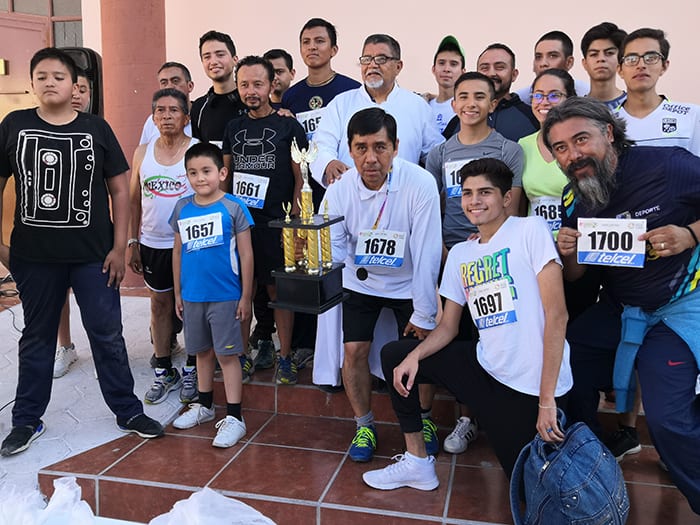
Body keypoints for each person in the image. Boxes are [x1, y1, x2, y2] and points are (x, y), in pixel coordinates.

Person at [362, 157, 571, 490]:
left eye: (485, 192)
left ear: (505, 198)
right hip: (486, 369)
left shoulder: (530, 230)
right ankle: (417, 462)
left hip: (530, 385)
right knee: (394, 356)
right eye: (467, 192)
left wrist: (547, 401)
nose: (475, 201)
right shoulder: (461, 253)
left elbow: (557, 316)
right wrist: (415, 357)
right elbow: (447, 327)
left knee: (528, 488)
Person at [0, 48, 163, 456]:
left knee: (107, 333)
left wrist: (119, 245)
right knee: (36, 337)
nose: (50, 82)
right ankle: (26, 419)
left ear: (75, 85)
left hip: (93, 255)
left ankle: (127, 410)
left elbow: (121, 189)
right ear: (32, 83)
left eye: (59, 76)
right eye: (41, 75)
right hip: (34, 256)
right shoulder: (14, 125)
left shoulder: (96, 128)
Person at [544, 96, 700, 514]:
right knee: (564, 365)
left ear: (608, 133)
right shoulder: (574, 196)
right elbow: (577, 276)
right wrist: (569, 254)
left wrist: (691, 234)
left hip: (680, 306)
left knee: (669, 422)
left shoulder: (668, 165)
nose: (573, 155)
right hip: (622, 309)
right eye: (560, 148)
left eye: (581, 140)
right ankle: (594, 464)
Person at [323, 107, 442, 462]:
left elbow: (427, 250)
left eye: (380, 147)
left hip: (409, 281)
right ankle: (363, 424)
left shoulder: (419, 183)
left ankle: (424, 419)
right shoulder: (340, 189)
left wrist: (423, 311)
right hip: (361, 281)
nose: (370, 158)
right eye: (361, 148)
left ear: (396, 147)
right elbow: (334, 244)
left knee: (419, 349)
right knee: (354, 351)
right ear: (349, 149)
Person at [279, 18, 361, 384]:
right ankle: (304, 343)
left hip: (342, 193)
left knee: (341, 269)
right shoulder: (291, 97)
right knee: (305, 267)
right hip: (305, 195)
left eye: (320, 41)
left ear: (334, 49)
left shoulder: (351, 91)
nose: (312, 47)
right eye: (306, 42)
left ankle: (351, 347)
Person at [222, 55, 307, 385]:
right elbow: (226, 177)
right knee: (244, 289)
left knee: (279, 291)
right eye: (244, 85)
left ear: (272, 85)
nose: (250, 91)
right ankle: (242, 354)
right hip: (242, 226)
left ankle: (284, 357)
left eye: (257, 84)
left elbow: (302, 178)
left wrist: (296, 221)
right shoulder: (234, 127)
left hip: (278, 224)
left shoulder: (289, 125)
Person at [170, 142, 254, 448]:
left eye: (206, 171)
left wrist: (245, 296)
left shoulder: (233, 208)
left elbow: (246, 255)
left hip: (225, 296)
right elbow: (178, 251)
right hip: (193, 297)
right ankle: (204, 406)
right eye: (192, 173)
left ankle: (235, 417)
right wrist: (178, 292)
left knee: (227, 355)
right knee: (201, 352)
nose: (199, 178)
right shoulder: (181, 208)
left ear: (222, 172)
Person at [128, 88, 199, 405]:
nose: (166, 116)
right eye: (160, 110)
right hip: (152, 242)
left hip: (192, 243)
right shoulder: (142, 152)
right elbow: (133, 200)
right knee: (159, 305)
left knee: (193, 307)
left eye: (173, 110)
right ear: (153, 116)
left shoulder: (198, 151)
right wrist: (132, 241)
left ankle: (193, 368)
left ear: (186, 117)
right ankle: (164, 370)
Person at [309, 33, 444, 186]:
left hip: (402, 199)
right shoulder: (341, 103)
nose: (372, 65)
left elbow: (435, 155)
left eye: (381, 59)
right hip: (351, 198)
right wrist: (328, 163)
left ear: (398, 67)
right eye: (366, 59)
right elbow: (321, 145)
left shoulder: (418, 106)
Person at [53, 67, 92, 378]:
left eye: (84, 89)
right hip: (53, 231)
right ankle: (65, 346)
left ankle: (104, 349)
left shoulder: (99, 129)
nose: (77, 94)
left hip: (91, 232)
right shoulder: (45, 129)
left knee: (96, 296)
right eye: (73, 87)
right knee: (57, 291)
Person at [614, 28, 700, 155]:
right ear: (620, 70)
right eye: (631, 59)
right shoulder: (607, 122)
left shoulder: (692, 116)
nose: (641, 65)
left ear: (664, 66)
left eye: (651, 57)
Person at [444, 43, 538, 142]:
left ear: (514, 74)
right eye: (484, 68)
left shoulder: (532, 117)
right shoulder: (458, 121)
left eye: (500, 67)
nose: (491, 73)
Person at [190, 30, 247, 147]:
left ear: (235, 60)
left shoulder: (251, 100)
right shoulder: (199, 108)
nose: (213, 61)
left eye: (220, 55)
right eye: (207, 57)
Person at [515, 31, 590, 104]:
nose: (543, 63)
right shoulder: (521, 100)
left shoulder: (587, 96)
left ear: (569, 62)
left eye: (553, 56)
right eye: (538, 57)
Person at [139, 62, 194, 146]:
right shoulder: (152, 121)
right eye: (164, 82)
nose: (169, 86)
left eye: (175, 81)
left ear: (190, 86)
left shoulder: (200, 117)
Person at [580, 22, 627, 110]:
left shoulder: (634, 106)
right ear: (584, 63)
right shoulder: (575, 109)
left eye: (609, 53)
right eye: (594, 54)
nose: (601, 59)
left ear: (621, 60)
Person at [428, 36, 465, 133]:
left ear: (463, 72)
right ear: (433, 69)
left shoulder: (466, 107)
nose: (447, 69)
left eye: (453, 64)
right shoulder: (424, 106)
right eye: (441, 63)